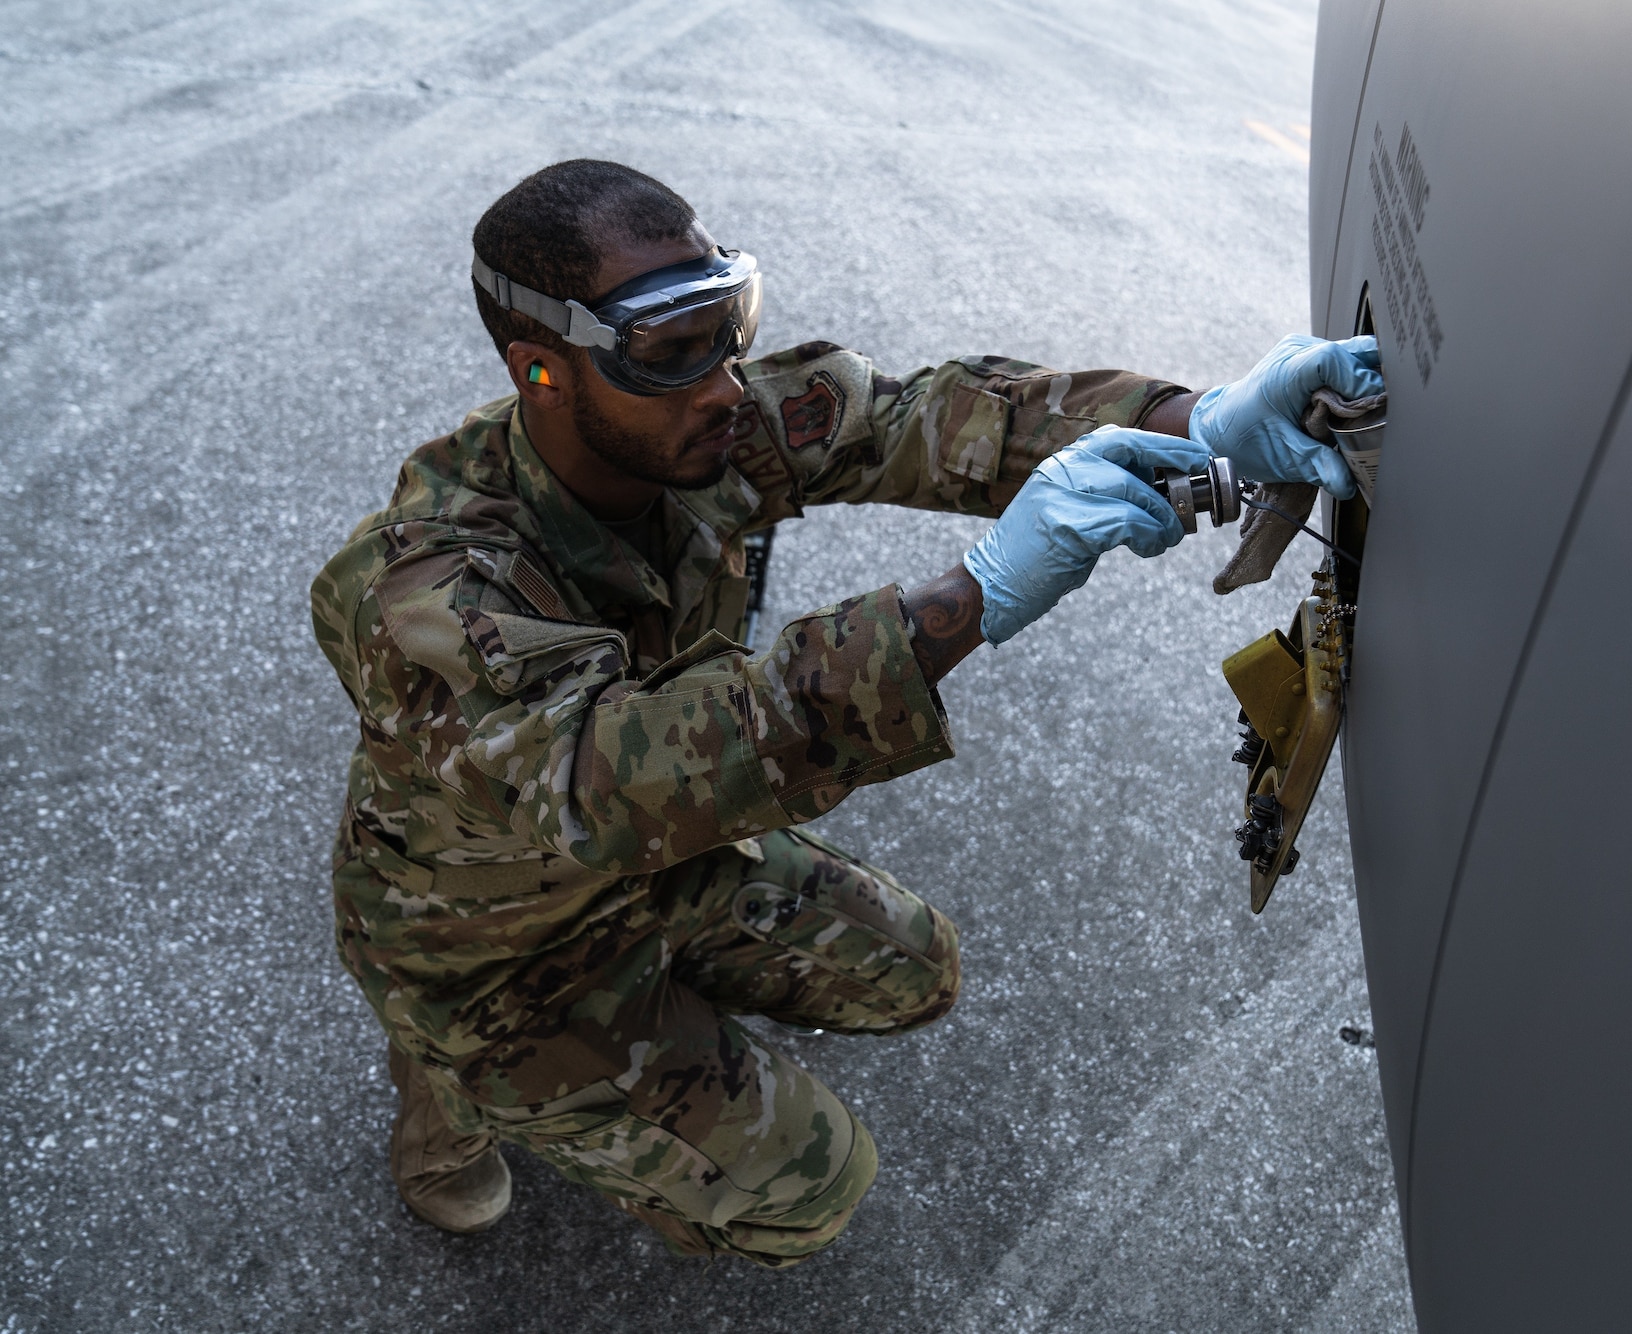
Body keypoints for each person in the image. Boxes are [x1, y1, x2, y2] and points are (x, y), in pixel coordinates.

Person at [308, 159, 1381, 1267]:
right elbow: (602, 784)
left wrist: (1201, 416)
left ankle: (644, 1012)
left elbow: (921, 416)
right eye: (670, 352)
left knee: (914, 967)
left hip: (666, 852)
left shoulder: (683, 424)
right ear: (541, 372)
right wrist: (972, 597)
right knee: (807, 1185)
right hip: (493, 942)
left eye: (726, 327)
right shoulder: (432, 588)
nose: (723, 386)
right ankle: (446, 1083)